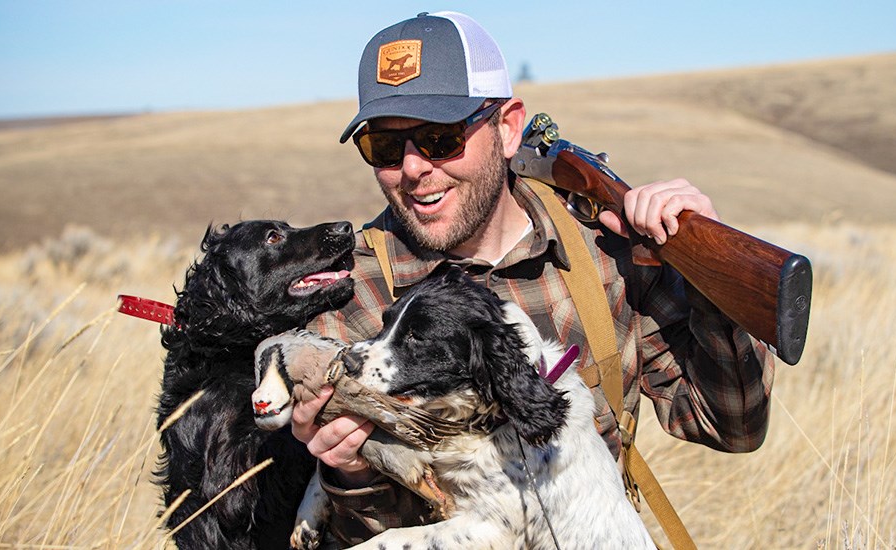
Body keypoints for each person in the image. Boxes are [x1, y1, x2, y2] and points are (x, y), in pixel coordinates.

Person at [291, 11, 774, 545]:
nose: (412, 168)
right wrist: (348, 474)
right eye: (384, 147)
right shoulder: (349, 294)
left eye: (440, 138)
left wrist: (698, 266)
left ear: (509, 127)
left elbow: (733, 427)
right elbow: (339, 530)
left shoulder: (607, 256)